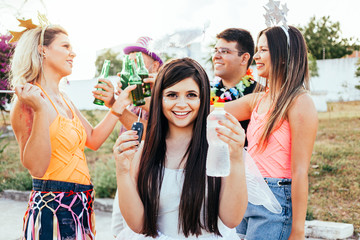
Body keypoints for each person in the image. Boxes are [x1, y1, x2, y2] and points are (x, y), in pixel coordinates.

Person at [9, 18, 123, 239]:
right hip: (52, 211)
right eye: (65, 46)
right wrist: (41, 111)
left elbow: (93, 139)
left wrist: (119, 105)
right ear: (43, 50)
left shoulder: (65, 99)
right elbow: (37, 168)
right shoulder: (27, 101)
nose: (73, 53)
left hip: (81, 205)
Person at [113, 58, 248, 239]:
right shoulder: (144, 151)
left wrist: (237, 156)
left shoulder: (220, 146)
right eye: (172, 95)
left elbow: (232, 219)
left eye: (191, 95)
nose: (182, 104)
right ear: (159, 99)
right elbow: (138, 225)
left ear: (203, 98)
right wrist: (122, 171)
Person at [225, 26, 318, 239]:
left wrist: (298, 231)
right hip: (246, 194)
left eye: (263, 50)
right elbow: (206, 113)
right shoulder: (257, 100)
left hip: (276, 199)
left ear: (283, 56)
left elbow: (300, 172)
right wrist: (162, 93)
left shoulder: (299, 102)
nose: (256, 56)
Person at [108, 36, 163, 237]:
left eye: (137, 58)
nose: (130, 62)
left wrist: (119, 102)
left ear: (155, 64)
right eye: (128, 58)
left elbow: (151, 131)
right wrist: (115, 101)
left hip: (149, 174)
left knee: (140, 229)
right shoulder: (133, 92)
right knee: (118, 230)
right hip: (127, 171)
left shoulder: (164, 93)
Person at [211, 28, 258, 147]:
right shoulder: (202, 91)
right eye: (215, 50)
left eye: (224, 51)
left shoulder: (260, 93)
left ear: (244, 58)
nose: (216, 56)